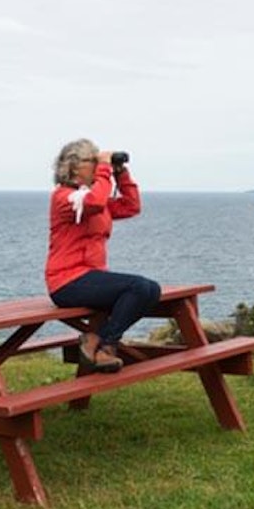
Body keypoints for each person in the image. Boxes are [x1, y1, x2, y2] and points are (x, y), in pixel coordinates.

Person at [46, 138, 161, 372]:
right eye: (93, 161)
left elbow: (131, 206)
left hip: (90, 276)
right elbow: (95, 202)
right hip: (66, 281)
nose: (99, 166)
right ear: (74, 166)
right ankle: (106, 347)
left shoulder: (90, 197)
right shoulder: (65, 198)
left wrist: (121, 174)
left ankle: (96, 341)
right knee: (138, 287)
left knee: (152, 290)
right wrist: (106, 169)